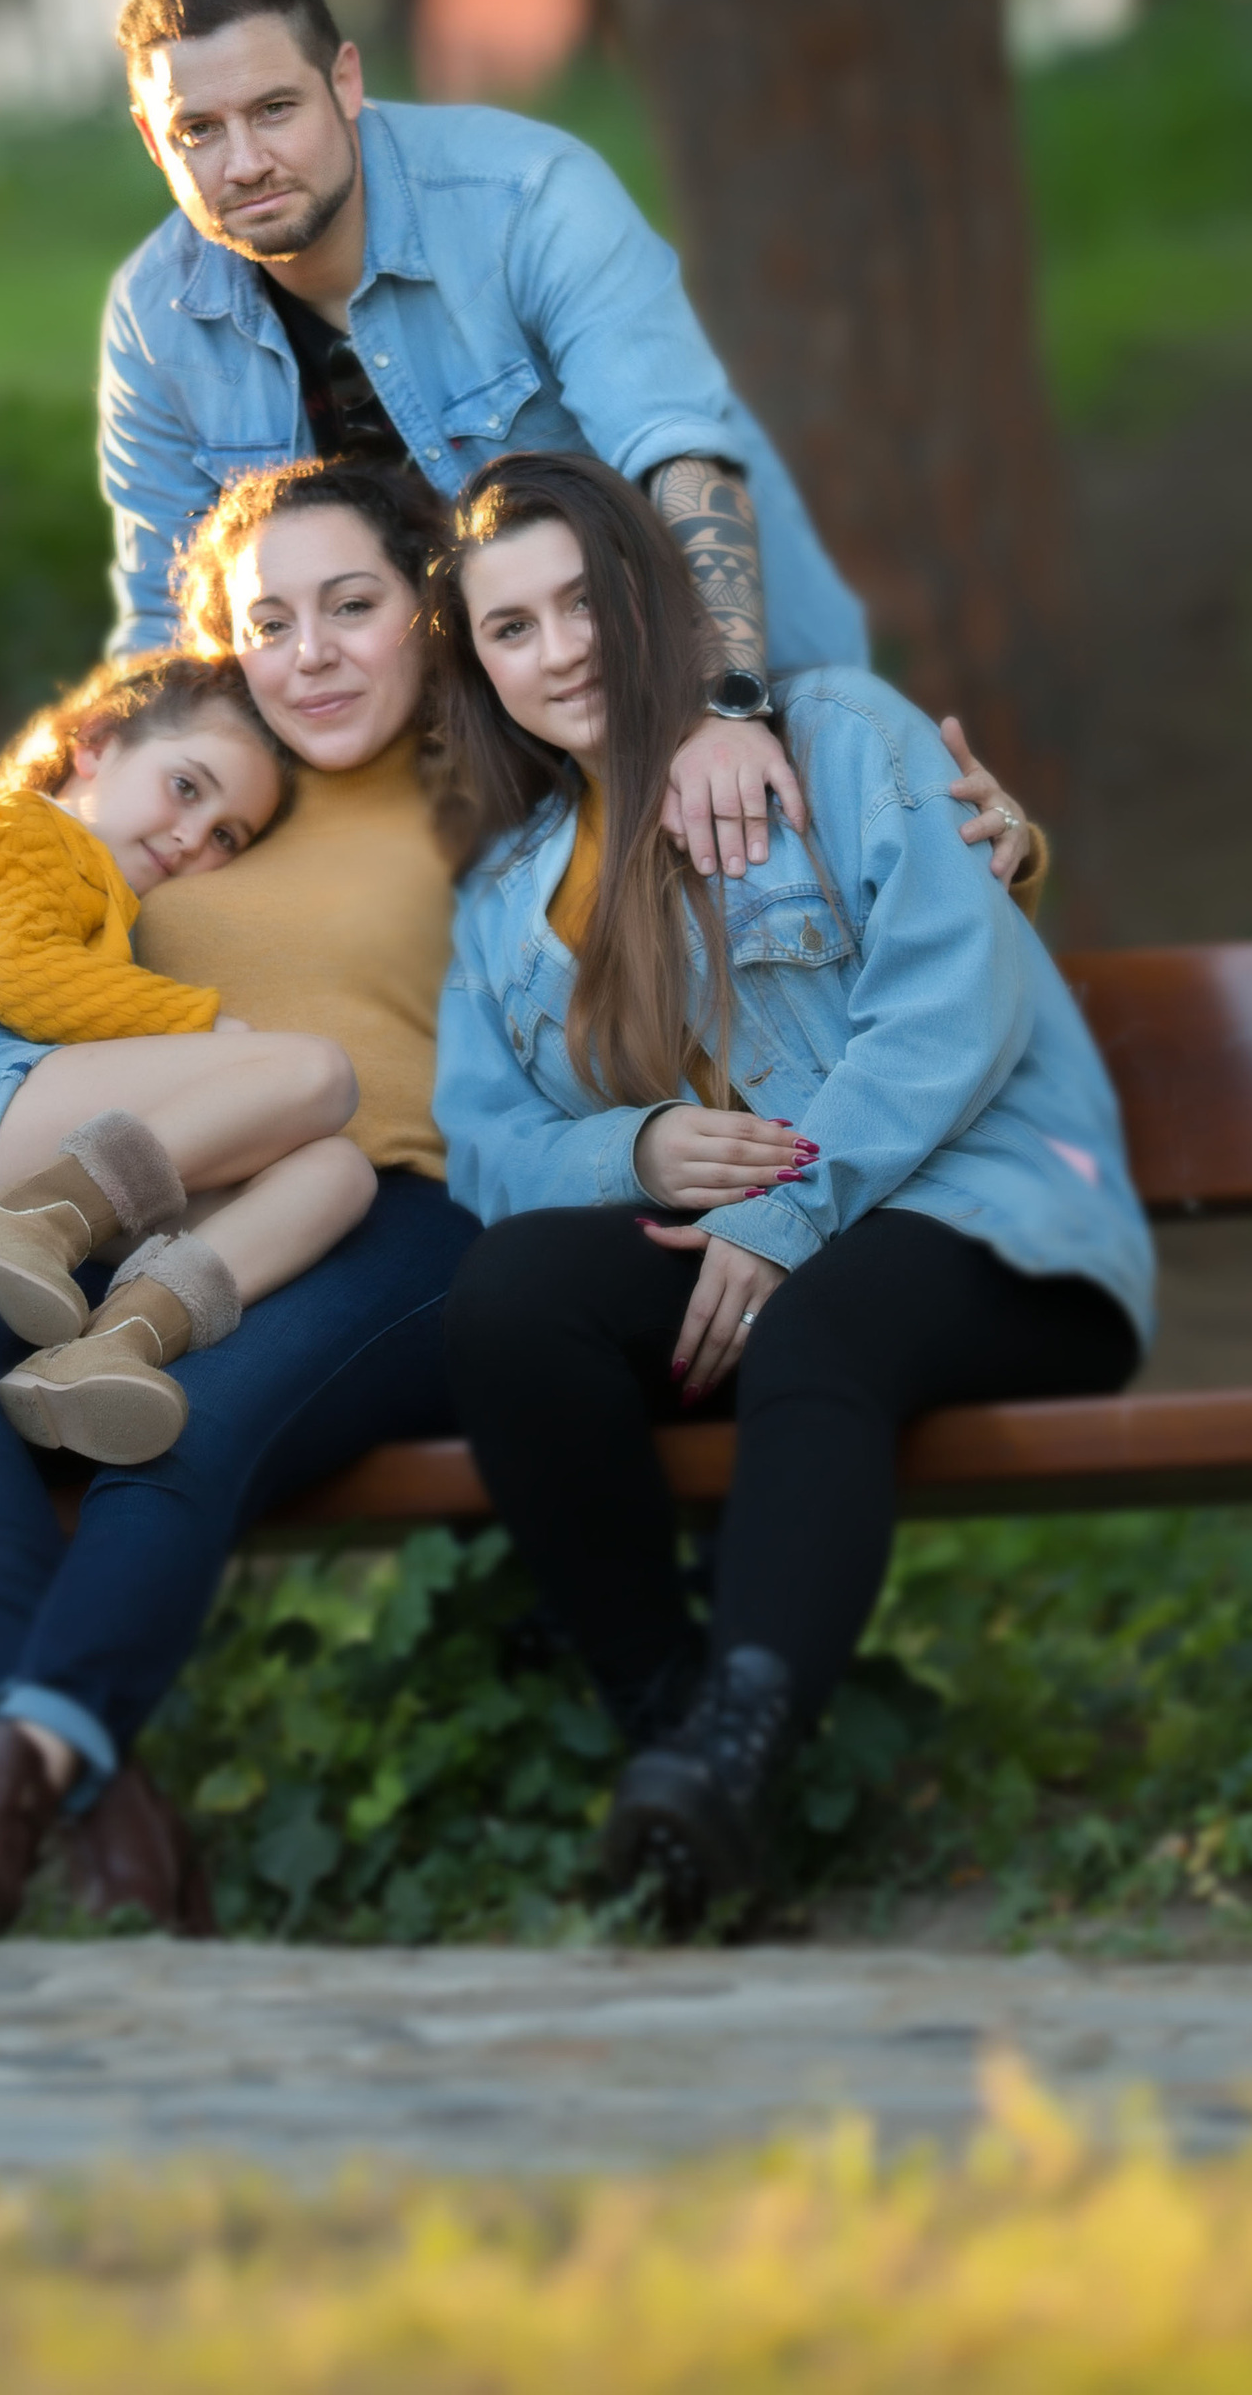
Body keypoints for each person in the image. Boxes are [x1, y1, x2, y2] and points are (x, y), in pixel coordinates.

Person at [431, 451, 1153, 1931]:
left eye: (583, 601)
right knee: (507, 1303)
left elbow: (958, 1004)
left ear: (649, 596)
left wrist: (786, 1211)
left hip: (983, 1221)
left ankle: (736, 1769)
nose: (559, 650)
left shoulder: (836, 740)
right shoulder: (507, 896)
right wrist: (629, 1155)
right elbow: (486, 1142)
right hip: (751, 1260)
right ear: (479, 664)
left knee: (825, 1325)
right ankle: (679, 1750)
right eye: (512, 628)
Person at [0, 457, 473, 1940]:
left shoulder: (482, 773)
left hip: (382, 1211)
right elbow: (10, 904)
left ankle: (13, 1789)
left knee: (194, 1409)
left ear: (420, 613)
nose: (310, 653)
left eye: (353, 608)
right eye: (271, 622)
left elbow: (694, 898)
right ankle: (111, 1810)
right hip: (148, 1204)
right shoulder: (206, 765)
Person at [103, 0, 1044, 898]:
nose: (244, 162)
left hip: (711, 671)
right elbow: (163, 621)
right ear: (151, 137)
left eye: (273, 109)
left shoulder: (525, 197)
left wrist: (731, 711)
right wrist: (92, 828)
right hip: (469, 748)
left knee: (849, 926)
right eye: (197, 131)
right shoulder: (154, 319)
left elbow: (676, 453)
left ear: (345, 82)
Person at [0, 648, 377, 1470]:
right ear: (95, 743)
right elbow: (11, 974)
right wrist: (206, 1030)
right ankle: (31, 1224)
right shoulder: (32, 828)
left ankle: (112, 1348)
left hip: (43, 1150)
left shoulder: (109, 887)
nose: (190, 837)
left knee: (336, 1174)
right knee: (315, 1074)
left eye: (224, 836)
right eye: (186, 787)